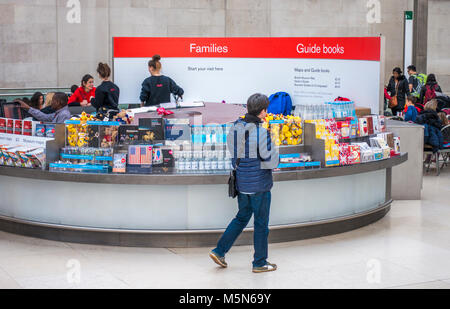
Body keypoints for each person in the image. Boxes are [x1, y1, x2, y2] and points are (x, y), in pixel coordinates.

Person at [209, 93, 280, 273]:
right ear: (263, 111)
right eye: (266, 109)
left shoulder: (235, 127)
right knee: (261, 224)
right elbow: (271, 161)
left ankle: (219, 250)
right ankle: (259, 263)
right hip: (260, 186)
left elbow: (234, 155)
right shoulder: (262, 132)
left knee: (241, 218)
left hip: (242, 184)